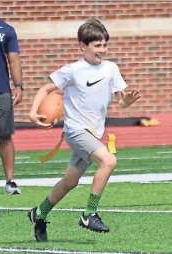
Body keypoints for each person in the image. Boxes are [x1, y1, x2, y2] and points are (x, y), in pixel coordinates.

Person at [28, 19, 140, 242]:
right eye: (97, 46)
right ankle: (89, 214)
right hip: (76, 130)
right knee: (109, 161)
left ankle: (38, 213)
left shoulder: (111, 68)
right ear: (83, 46)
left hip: (93, 133)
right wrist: (33, 112)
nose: (102, 50)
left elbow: (122, 102)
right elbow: (45, 88)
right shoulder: (73, 70)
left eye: (105, 45)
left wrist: (127, 101)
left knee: (70, 182)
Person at [0, 1, 23, 195]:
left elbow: (14, 59)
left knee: (4, 136)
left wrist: (18, 85)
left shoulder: (6, 29)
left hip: (0, 90)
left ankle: (10, 181)